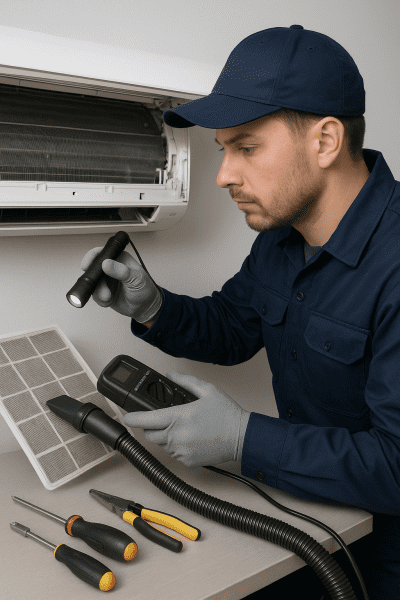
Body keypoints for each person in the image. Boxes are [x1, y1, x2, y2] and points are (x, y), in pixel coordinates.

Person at [80, 25, 400, 599]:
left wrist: (242, 439)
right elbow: (232, 327)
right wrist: (153, 306)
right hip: (314, 523)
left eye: (246, 148)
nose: (225, 174)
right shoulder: (283, 235)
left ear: (325, 141)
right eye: (225, 150)